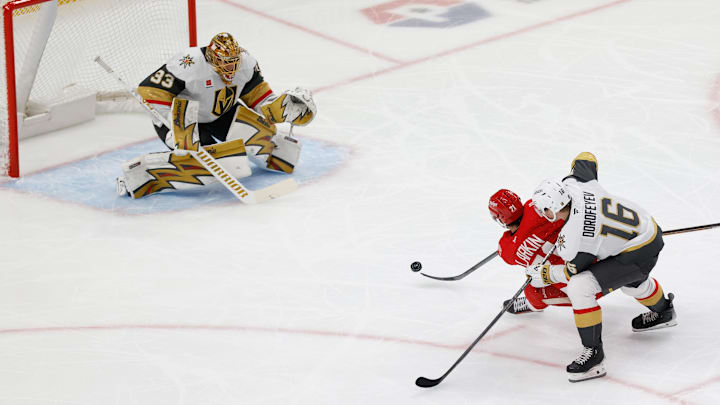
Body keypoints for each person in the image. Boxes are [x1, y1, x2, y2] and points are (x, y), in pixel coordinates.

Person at [527, 152, 677, 382]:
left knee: (580, 287)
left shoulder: (576, 238)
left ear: (555, 208)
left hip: (638, 253)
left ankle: (594, 356)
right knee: (632, 283)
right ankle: (664, 311)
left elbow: (572, 270)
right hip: (646, 229)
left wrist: (546, 274)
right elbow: (585, 159)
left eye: (544, 210)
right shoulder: (575, 184)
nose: (542, 214)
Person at [117, 32, 317, 198]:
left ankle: (275, 154)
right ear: (213, 58)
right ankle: (141, 175)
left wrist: (282, 108)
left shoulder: (246, 63)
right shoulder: (189, 63)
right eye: (225, 63)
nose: (231, 68)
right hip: (185, 119)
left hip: (221, 113)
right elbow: (149, 91)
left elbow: (258, 96)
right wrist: (176, 127)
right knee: (213, 163)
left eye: (233, 62)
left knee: (257, 131)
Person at [489, 189, 571, 314]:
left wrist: (512, 237)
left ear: (500, 219)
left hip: (574, 281)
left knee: (532, 292)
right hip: (590, 253)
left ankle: (531, 304)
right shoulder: (536, 206)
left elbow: (507, 251)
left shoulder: (506, 249)